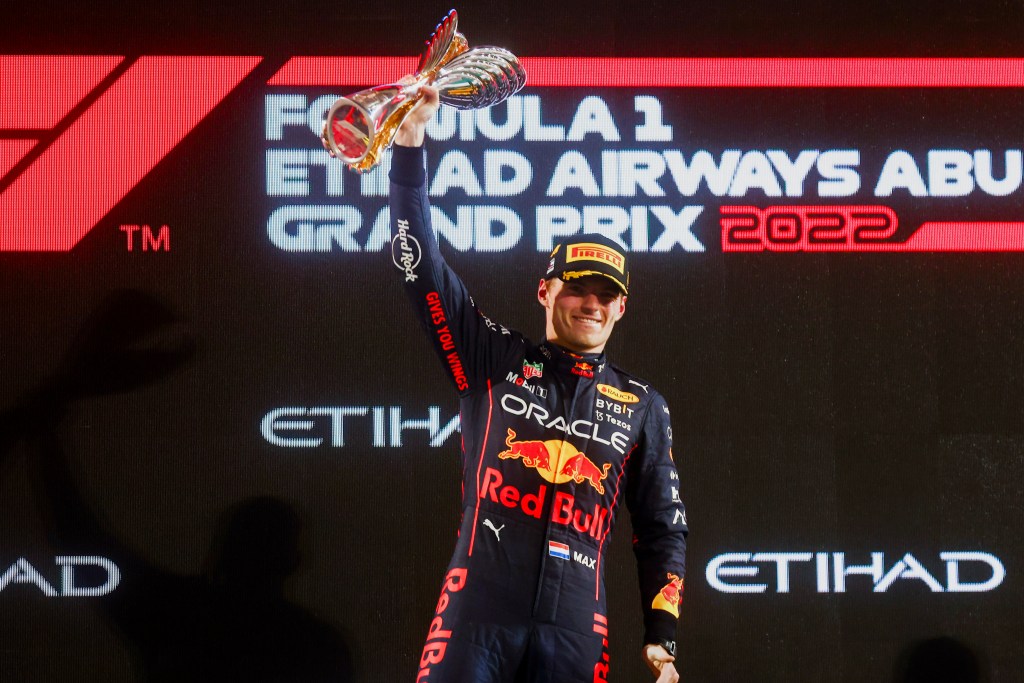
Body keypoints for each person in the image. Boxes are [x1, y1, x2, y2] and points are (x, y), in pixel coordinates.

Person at [389, 85, 688, 683]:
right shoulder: (493, 359)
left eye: (606, 295)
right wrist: (409, 143)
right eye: (577, 287)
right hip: (477, 611)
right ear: (545, 290)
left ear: (621, 309)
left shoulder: (642, 405)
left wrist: (663, 636)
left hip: (578, 624)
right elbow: (419, 264)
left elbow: (663, 527)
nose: (591, 304)